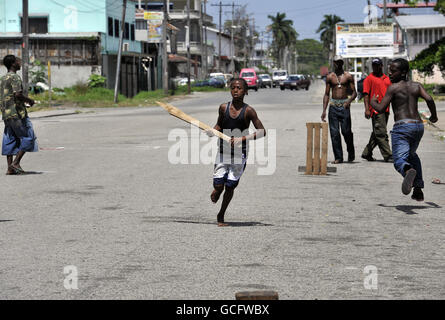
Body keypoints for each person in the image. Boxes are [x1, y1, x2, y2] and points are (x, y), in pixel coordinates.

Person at [370, 58, 438, 201]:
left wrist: (373, 102)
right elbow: (430, 99)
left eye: (393, 71)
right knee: (412, 155)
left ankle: (408, 171)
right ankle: (418, 188)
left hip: (402, 127)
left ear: (404, 72)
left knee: (400, 159)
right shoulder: (417, 86)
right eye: (389, 70)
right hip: (418, 126)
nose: (389, 73)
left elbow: (381, 108)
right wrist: (434, 116)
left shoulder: (393, 88)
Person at [207, 78, 266, 227]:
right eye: (233, 87)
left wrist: (243, 138)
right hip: (223, 151)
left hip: (240, 153)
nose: (235, 90)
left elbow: (262, 131)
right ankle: (217, 191)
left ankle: (221, 214)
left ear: (245, 91)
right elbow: (219, 125)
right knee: (219, 185)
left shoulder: (249, 111)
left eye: (239, 88)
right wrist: (212, 131)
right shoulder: (223, 108)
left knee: (231, 186)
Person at [0, 55, 38, 175]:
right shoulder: (15, 77)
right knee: (28, 137)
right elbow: (18, 95)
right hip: (17, 114)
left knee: (10, 139)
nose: (20, 63)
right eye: (18, 61)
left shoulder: (2, 78)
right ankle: (16, 163)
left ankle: (10, 168)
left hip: (6, 113)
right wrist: (30, 100)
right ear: (13, 64)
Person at [321, 56, 357, 164]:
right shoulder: (330, 77)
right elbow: (327, 94)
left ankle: (351, 152)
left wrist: (348, 101)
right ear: (334, 63)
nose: (339, 64)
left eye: (340, 62)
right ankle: (338, 157)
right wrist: (324, 110)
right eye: (337, 62)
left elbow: (354, 93)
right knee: (334, 133)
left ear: (343, 63)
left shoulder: (348, 76)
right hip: (333, 107)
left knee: (346, 132)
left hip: (344, 106)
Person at [361, 58, 393, 162]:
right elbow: (366, 95)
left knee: (377, 132)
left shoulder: (387, 78)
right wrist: (367, 109)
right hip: (376, 110)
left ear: (381, 66)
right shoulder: (369, 79)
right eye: (374, 65)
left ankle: (367, 153)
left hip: (386, 109)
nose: (375, 67)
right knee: (381, 133)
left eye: (377, 65)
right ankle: (388, 155)